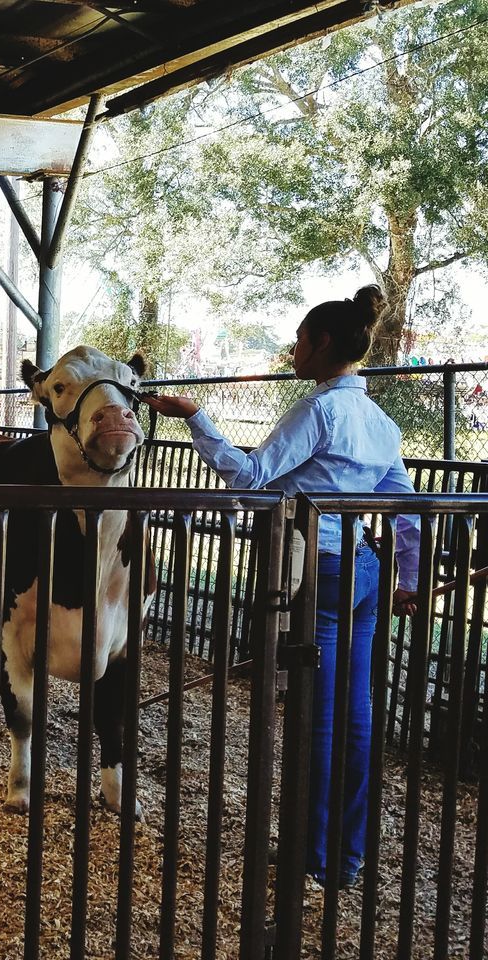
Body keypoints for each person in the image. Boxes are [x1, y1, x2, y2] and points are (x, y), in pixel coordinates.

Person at [146, 285, 420, 889]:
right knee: (357, 715)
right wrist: (411, 577)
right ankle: (347, 853)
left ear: (322, 344)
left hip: (315, 569)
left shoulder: (317, 411)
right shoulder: (381, 424)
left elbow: (250, 479)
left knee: (317, 717)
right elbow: (405, 508)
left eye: (299, 339)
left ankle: (311, 854)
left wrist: (197, 418)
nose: (293, 349)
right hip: (366, 572)